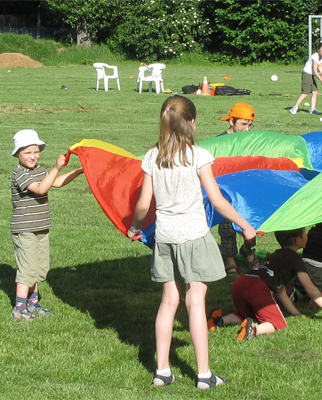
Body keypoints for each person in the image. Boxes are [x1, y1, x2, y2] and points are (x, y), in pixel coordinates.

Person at [127, 95, 257, 390]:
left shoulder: (152, 157)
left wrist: (135, 227)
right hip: (194, 236)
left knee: (168, 301)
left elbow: (143, 204)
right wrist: (245, 225)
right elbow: (218, 201)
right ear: (192, 123)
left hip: (165, 237)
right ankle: (204, 375)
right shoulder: (199, 155)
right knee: (195, 301)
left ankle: (162, 371)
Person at [207, 228, 322, 341]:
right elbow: (310, 288)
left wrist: (296, 313)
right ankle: (253, 330)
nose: (308, 236)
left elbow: (281, 292)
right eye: (305, 234)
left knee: (249, 313)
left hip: (240, 283)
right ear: (297, 241)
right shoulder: (295, 259)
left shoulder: (276, 255)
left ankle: (218, 320)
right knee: (278, 322)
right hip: (257, 287)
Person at [10, 129, 83, 321]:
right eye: (27, 153)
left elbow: (56, 183)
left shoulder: (40, 170)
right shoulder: (20, 173)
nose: (33, 156)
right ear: (18, 153)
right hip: (24, 229)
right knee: (27, 269)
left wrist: (79, 171)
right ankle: (19, 308)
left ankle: (33, 303)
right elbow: (42, 189)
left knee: (39, 267)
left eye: (36, 151)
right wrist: (56, 168)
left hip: (41, 227)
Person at [217, 103, 258, 275]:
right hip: (226, 190)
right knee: (227, 227)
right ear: (231, 121)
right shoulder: (220, 142)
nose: (247, 129)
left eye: (250, 125)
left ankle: (248, 251)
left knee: (250, 221)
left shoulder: (251, 140)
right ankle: (230, 259)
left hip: (245, 188)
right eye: (243, 124)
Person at [290, 43, 322, 115]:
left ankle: (313, 109)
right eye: (321, 50)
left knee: (315, 92)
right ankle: (294, 108)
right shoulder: (315, 57)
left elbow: (320, 66)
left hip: (312, 74)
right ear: (318, 50)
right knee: (305, 93)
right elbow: (315, 70)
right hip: (307, 74)